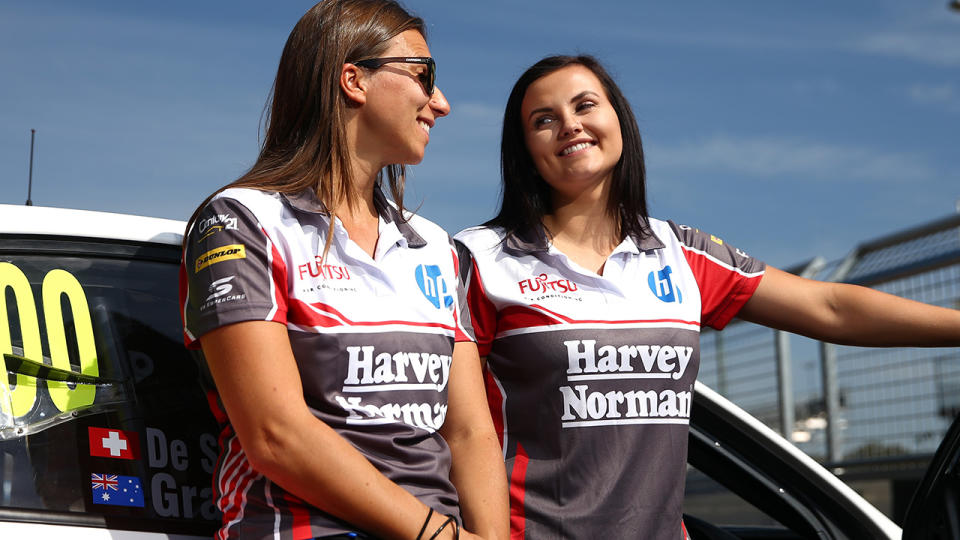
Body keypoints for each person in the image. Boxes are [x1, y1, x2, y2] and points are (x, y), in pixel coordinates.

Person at [453, 54, 960, 539]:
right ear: (524, 149)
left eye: (585, 105)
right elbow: (450, 429)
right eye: (544, 119)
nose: (570, 125)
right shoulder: (478, 260)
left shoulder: (683, 253)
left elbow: (831, 307)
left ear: (619, 121)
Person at [179, 2, 508, 539]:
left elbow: (469, 432)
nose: (441, 104)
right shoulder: (240, 221)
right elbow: (276, 434)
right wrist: (441, 537)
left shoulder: (438, 250)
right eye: (425, 76)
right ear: (353, 80)